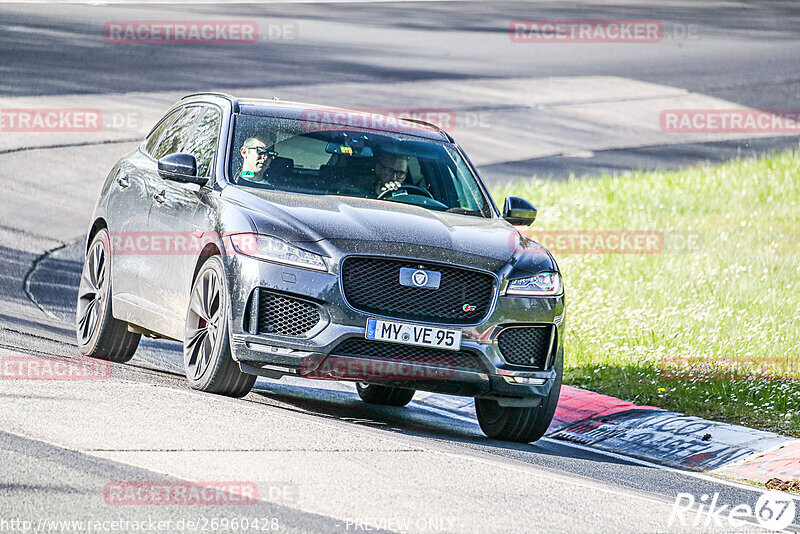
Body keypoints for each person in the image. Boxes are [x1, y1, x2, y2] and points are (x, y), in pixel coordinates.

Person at [331, 151, 409, 197]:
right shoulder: (356, 185)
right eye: (389, 171)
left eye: (400, 173)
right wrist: (380, 195)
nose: (394, 178)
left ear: (405, 175)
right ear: (378, 169)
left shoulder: (414, 196)